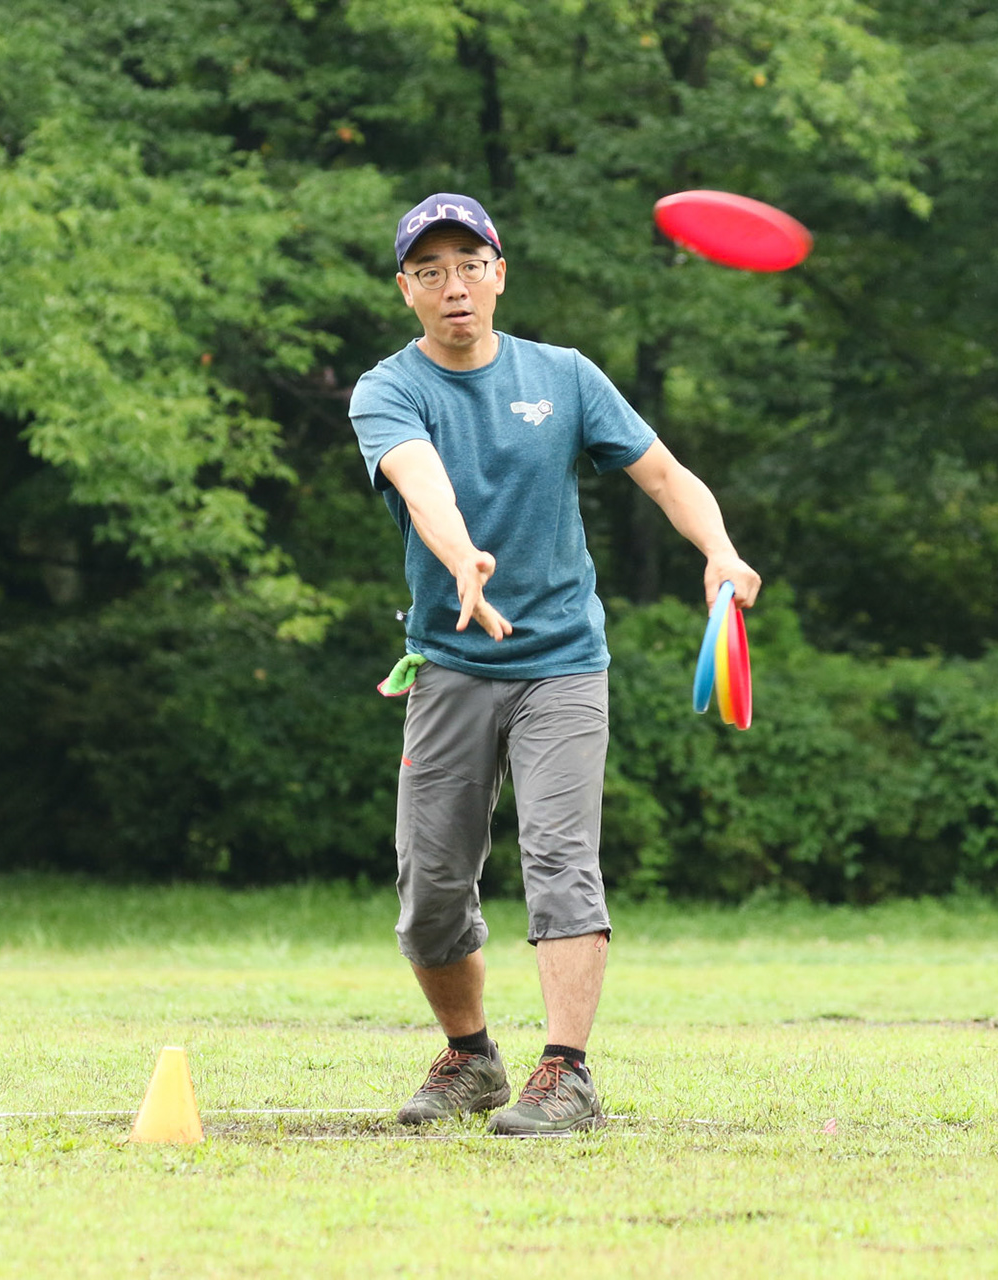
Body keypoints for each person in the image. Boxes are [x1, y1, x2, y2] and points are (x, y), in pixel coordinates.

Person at [348, 192, 762, 1135]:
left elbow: (664, 473)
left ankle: (567, 1073)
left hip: (564, 662)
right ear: (407, 289)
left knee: (562, 859)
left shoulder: (564, 376)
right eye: (431, 272)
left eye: (469, 266)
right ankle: (471, 1058)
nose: (454, 287)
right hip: (450, 661)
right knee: (430, 890)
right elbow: (421, 482)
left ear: (499, 273)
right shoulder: (388, 389)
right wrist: (462, 556)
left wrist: (719, 551)